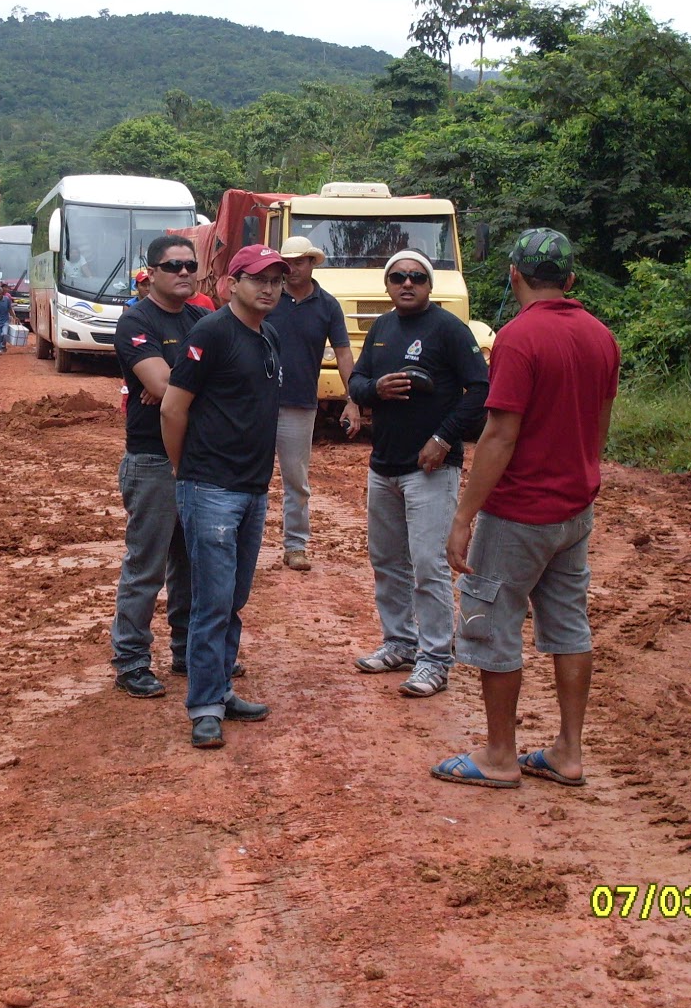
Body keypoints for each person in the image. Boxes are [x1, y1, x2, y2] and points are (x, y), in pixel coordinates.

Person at [434, 229, 619, 790]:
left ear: (513, 275)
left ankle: (498, 755)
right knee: (568, 625)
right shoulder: (601, 336)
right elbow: (601, 422)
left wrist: (464, 516)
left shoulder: (518, 338)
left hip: (519, 513)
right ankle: (568, 750)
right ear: (570, 281)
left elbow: (499, 435)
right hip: (573, 510)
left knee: (493, 625)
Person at [346, 250, 488, 699]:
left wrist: (445, 437)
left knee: (428, 565)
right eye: (398, 277)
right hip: (383, 464)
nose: (407, 283)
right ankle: (399, 643)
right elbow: (356, 382)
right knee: (387, 561)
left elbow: (480, 388)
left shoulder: (449, 329)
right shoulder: (383, 328)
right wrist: (375, 390)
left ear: (430, 285)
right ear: (387, 285)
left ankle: (435, 658)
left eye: (416, 277)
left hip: (430, 468)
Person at [160, 245, 284, 749]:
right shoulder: (211, 334)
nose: (269, 287)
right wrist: (184, 472)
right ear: (232, 283)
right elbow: (172, 408)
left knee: (233, 599)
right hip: (210, 487)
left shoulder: (267, 335)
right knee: (211, 602)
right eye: (258, 278)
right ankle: (205, 707)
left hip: (251, 490)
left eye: (276, 278)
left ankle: (221, 689)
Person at [109, 239, 210, 698]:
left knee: (191, 565)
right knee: (146, 566)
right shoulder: (136, 319)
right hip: (151, 458)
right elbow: (161, 383)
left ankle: (186, 651)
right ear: (151, 272)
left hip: (195, 457)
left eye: (191, 265)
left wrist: (173, 386)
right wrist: (172, 384)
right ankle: (130, 660)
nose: (185, 272)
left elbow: (206, 381)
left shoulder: (199, 321)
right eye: (174, 266)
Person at [265, 235, 360, 570]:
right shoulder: (267, 298)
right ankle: (241, 544)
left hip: (299, 404)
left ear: (312, 263)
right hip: (257, 402)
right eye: (287, 262)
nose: (292, 268)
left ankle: (295, 546)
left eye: (299, 261)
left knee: (296, 479)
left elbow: (345, 352)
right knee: (251, 476)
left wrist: (353, 399)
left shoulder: (328, 306)